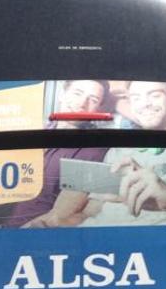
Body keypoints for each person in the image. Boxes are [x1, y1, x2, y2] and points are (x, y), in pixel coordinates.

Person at [72, 81, 166, 227]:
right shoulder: (119, 148)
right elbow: (91, 212)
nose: (144, 104)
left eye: (155, 95)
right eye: (136, 98)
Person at [12, 80, 111, 227]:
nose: (82, 104)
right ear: (62, 95)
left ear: (99, 109)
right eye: (77, 93)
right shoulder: (40, 128)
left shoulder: (94, 151)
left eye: (93, 100)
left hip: (24, 233)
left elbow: (61, 216)